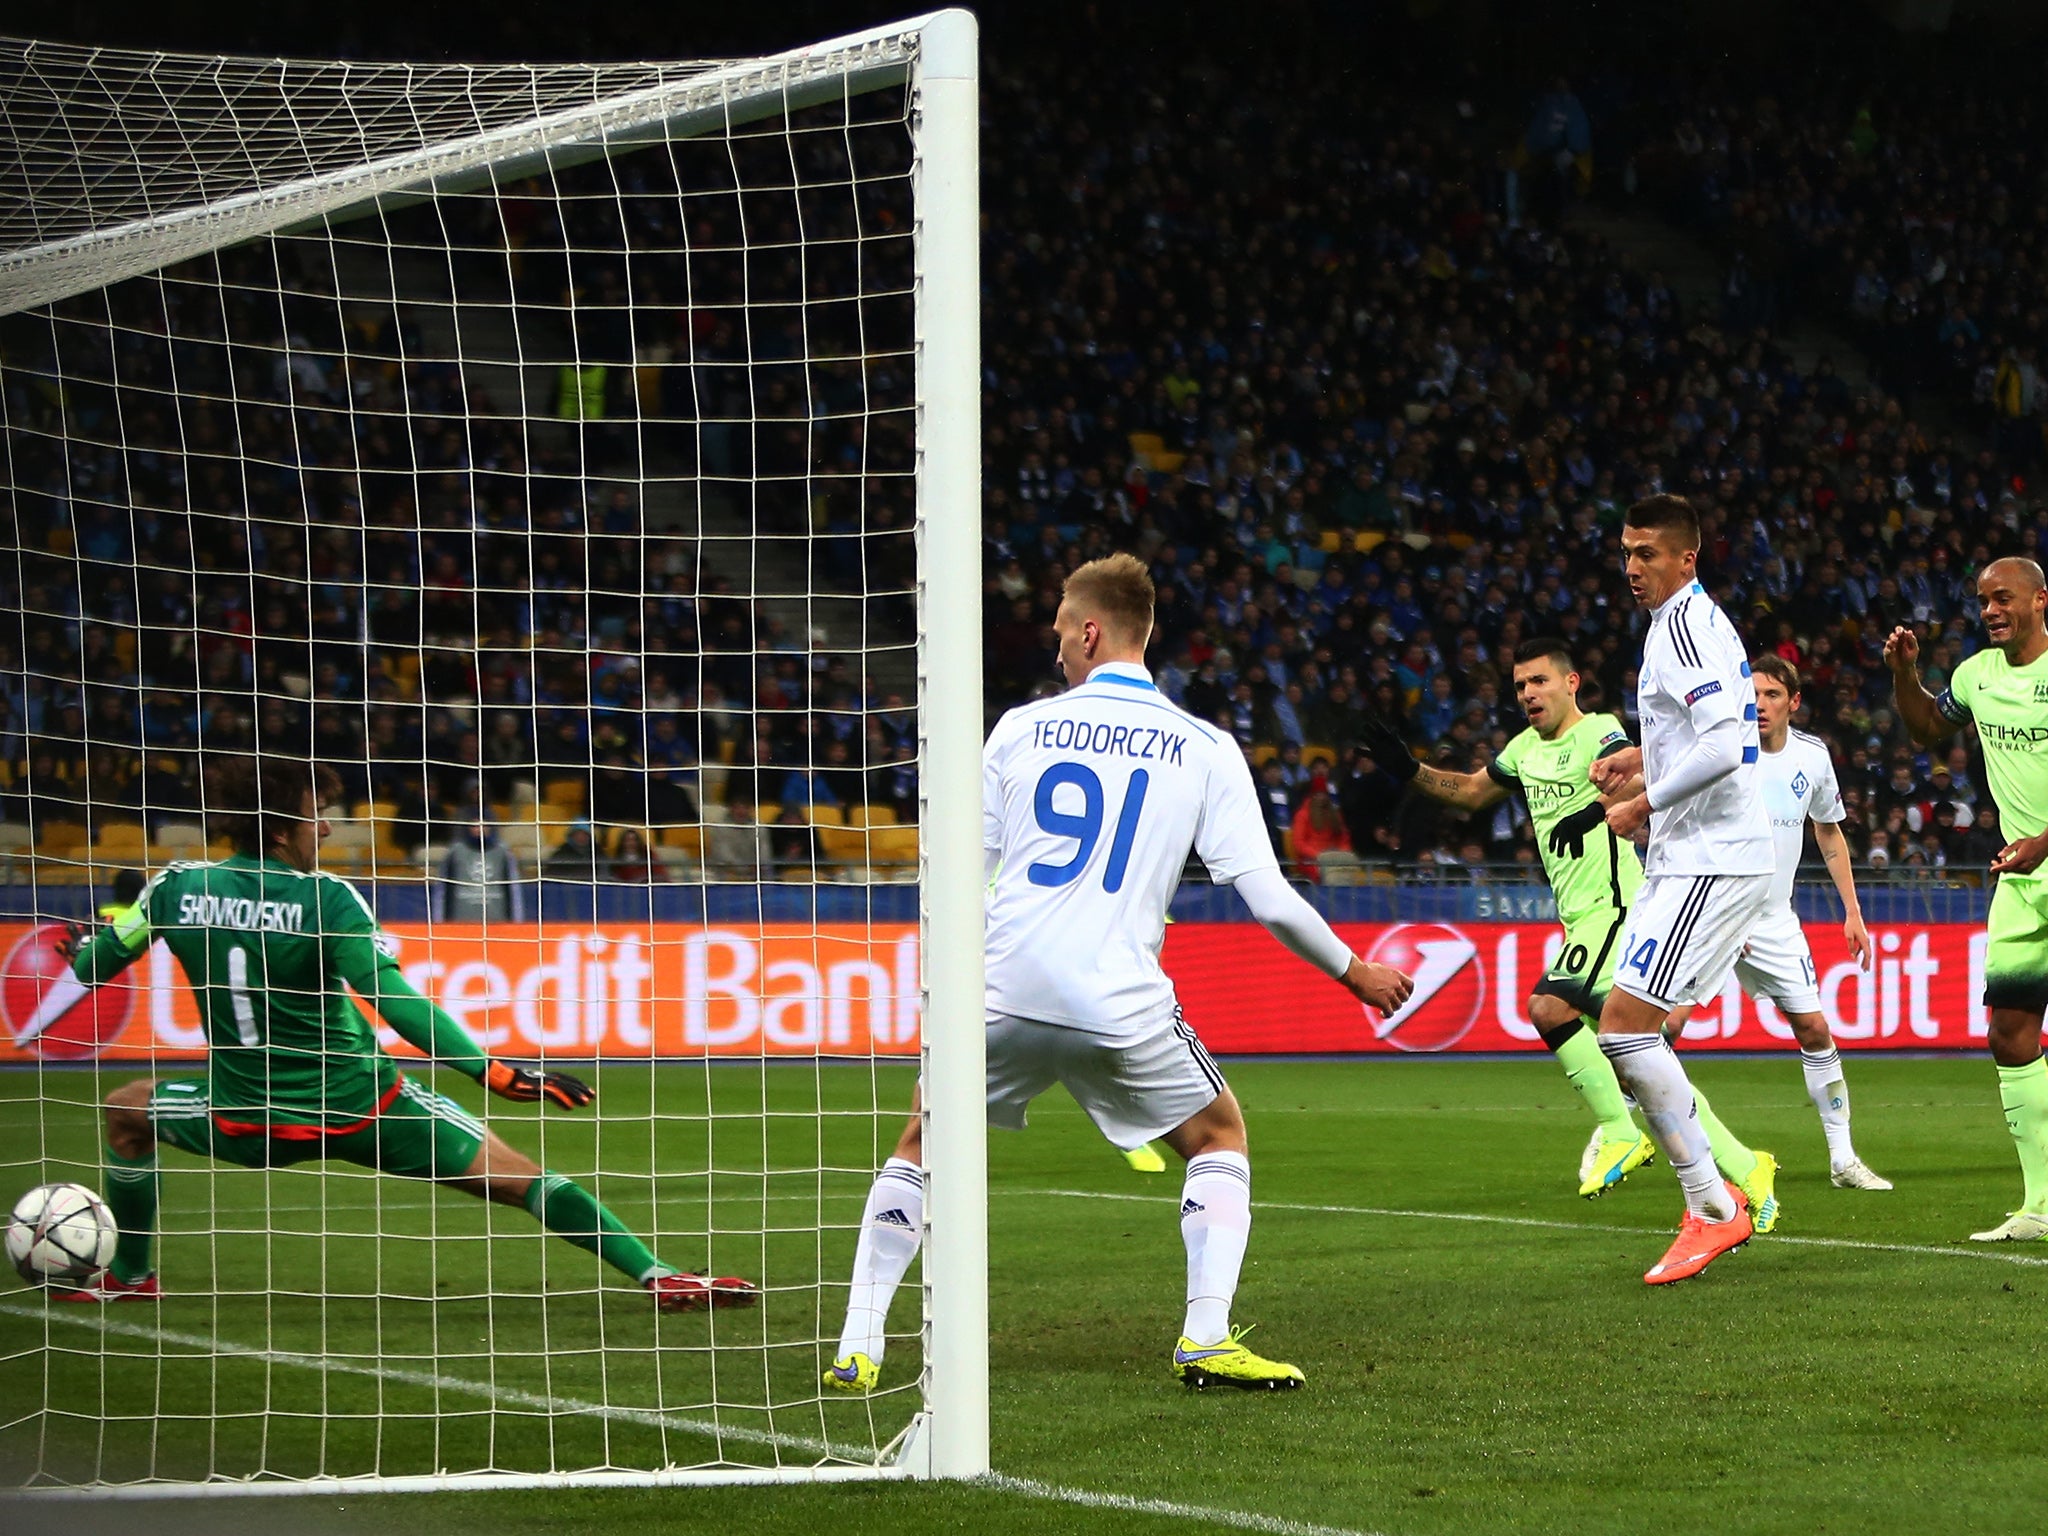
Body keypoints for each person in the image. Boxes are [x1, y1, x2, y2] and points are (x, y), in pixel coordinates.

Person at [822, 553, 1414, 1395]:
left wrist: (955, 991)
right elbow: (1270, 899)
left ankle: (859, 1344)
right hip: (1119, 1001)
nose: (1058, 645)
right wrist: (1354, 971)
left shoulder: (1019, 730)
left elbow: (959, 881)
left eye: (1063, 630)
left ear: (1093, 631)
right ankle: (1205, 1337)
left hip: (1002, 986)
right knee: (1218, 1138)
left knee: (922, 1142)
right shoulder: (1205, 747)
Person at [22, 757, 755, 1311]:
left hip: (243, 1119)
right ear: (281, 826)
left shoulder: (175, 886)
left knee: (128, 1109)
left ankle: (133, 1277)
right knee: (525, 1180)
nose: (329, 828)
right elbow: (395, 1003)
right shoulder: (326, 897)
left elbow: (90, 964)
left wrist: (78, 959)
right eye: (318, 815)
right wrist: (492, 1071)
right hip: (365, 1108)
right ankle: (660, 1276)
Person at [1364, 638, 1660, 1197]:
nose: (1528, 693)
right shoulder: (1523, 749)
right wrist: (1410, 770)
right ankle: (1742, 1169)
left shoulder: (1599, 730)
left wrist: (1593, 811)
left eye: (1539, 681)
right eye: (1520, 685)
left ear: (1570, 683)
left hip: (1616, 906)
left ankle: (1619, 1132)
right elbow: (1473, 792)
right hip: (1580, 916)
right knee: (1641, 1053)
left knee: (1549, 1006)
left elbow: (1640, 775)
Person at [1586, 495, 1776, 1284]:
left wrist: (1643, 801)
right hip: (1701, 854)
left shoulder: (1689, 626)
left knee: (1625, 1030)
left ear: (1687, 558)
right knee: (1632, 1030)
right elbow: (1702, 738)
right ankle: (1714, 1195)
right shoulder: (1677, 623)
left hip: (1709, 855)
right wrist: (1643, 762)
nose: (1633, 566)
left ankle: (1713, 1206)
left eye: (1649, 553)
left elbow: (1732, 746)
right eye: (1627, 551)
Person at [1664, 656, 1891, 1191]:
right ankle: (1644, 1134)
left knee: (1814, 1029)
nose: (1759, 704)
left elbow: (1829, 834)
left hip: (1772, 918)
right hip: (1715, 908)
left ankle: (1843, 1160)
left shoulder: (1812, 757)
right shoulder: (1724, 752)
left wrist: (1853, 912)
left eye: (1770, 694)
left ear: (1793, 701)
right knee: (1665, 1029)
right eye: (1753, 694)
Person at [1886, 558, 2048, 1241]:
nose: (1988, 610)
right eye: (1982, 601)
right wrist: (1904, 672)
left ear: (2040, 599)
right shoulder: (1977, 674)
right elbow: (1926, 728)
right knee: (2009, 1033)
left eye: (2002, 598)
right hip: (2020, 880)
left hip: (2040, 852)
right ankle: (2040, 1206)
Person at [433, 811, 526, 922]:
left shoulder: (503, 853)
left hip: (497, 923)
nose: (479, 829)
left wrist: (517, 922)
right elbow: (442, 891)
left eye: (483, 825)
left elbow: (514, 891)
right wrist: (438, 922)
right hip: (460, 924)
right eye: (475, 825)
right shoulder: (455, 852)